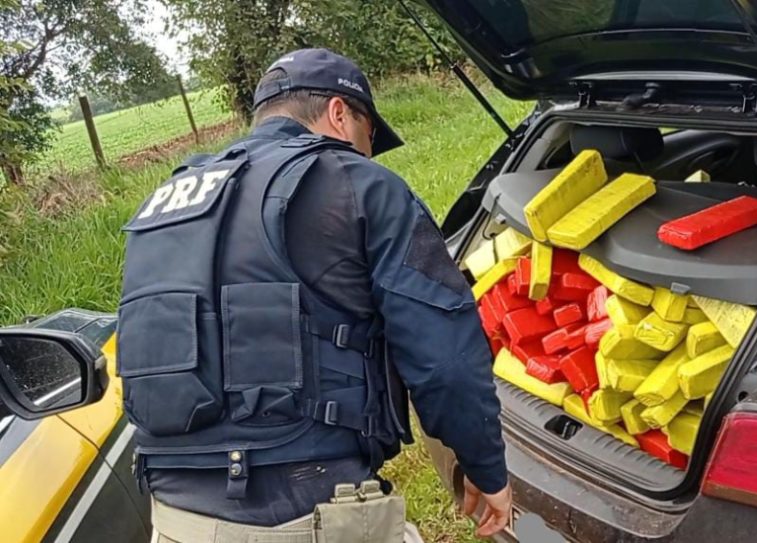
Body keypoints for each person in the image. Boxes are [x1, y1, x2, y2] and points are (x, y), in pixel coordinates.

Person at [117, 48, 511, 543]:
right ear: (340, 114)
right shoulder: (358, 184)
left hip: (174, 519)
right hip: (307, 513)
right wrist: (486, 467)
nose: (367, 153)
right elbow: (445, 360)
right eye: (369, 138)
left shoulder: (163, 201)